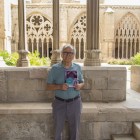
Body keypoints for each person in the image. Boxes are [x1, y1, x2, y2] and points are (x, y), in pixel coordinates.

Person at [46, 44, 84, 140]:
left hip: (75, 103)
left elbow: (82, 81)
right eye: (65, 52)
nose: (68, 54)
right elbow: (48, 85)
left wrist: (80, 85)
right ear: (61, 54)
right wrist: (59, 86)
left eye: (70, 52)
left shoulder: (77, 67)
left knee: (75, 130)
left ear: (73, 55)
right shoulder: (55, 68)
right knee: (57, 130)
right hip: (59, 103)